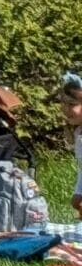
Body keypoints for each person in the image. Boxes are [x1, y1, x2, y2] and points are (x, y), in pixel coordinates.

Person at [61, 73, 82, 219]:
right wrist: (78, 193)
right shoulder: (79, 133)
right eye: (63, 103)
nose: (66, 109)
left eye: (72, 104)